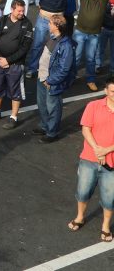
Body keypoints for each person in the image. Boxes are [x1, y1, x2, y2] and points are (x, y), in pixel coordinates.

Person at [68, 78, 114, 242]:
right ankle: (80, 217)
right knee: (83, 191)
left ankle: (105, 226)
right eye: (112, 91)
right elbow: (86, 129)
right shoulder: (93, 106)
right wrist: (97, 149)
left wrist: (106, 150)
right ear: (105, 91)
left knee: (110, 197)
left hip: (111, 163)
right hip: (89, 157)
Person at [0, 0, 34, 129]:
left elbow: (25, 48)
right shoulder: (2, 21)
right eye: (19, 10)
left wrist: (8, 60)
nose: (22, 13)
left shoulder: (27, 24)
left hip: (16, 65)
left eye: (23, 10)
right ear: (12, 9)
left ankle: (14, 117)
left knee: (15, 91)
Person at [35, 15, 75, 143]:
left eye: (50, 23)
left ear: (57, 26)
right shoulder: (51, 37)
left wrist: (50, 80)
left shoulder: (66, 45)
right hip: (42, 77)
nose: (48, 25)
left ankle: (52, 133)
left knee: (53, 107)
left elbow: (64, 69)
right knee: (42, 105)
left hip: (51, 81)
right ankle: (44, 125)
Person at [74, 0, 114, 91]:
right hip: (80, 32)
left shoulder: (102, 1)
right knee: (76, 57)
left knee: (91, 59)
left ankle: (90, 80)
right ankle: (71, 77)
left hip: (94, 35)